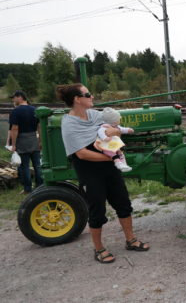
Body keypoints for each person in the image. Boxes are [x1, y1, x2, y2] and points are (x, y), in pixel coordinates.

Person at [56, 83, 149, 264]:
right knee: (97, 209)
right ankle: (99, 249)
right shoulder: (69, 123)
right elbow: (81, 153)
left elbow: (114, 128)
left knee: (123, 203)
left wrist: (114, 133)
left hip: (110, 168)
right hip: (90, 171)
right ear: (77, 99)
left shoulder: (95, 115)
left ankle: (130, 240)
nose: (92, 97)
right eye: (87, 94)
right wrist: (112, 159)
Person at [9, 90, 43, 193]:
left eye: (14, 97)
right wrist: (40, 141)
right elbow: (39, 126)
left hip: (22, 140)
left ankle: (28, 189)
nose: (13, 100)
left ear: (20, 97)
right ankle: (40, 187)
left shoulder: (15, 111)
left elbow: (15, 128)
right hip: (34, 139)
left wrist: (13, 144)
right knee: (37, 165)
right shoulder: (35, 110)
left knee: (25, 166)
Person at [95, 107, 133, 172]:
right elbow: (100, 132)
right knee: (112, 153)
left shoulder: (116, 126)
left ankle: (124, 165)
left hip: (114, 144)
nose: (120, 120)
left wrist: (128, 130)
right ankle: (118, 163)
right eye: (118, 119)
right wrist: (105, 138)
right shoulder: (104, 126)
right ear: (113, 121)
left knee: (120, 153)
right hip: (105, 144)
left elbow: (122, 129)